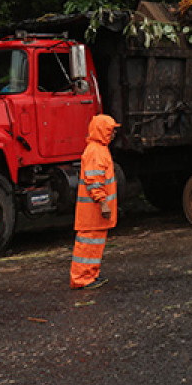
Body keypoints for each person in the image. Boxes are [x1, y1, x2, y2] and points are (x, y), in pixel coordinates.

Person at [70, 114, 119, 290]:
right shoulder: (96, 151)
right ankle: (82, 279)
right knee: (88, 245)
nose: (113, 134)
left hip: (94, 211)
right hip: (93, 210)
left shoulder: (98, 149)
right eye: (111, 130)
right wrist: (103, 203)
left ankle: (89, 276)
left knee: (93, 245)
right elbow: (94, 181)